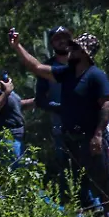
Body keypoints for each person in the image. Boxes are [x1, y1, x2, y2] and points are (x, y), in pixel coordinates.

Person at [10, 30, 109, 217]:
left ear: (85, 53)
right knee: (75, 182)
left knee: (102, 182)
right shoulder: (66, 73)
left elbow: (106, 105)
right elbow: (37, 67)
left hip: (90, 138)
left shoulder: (95, 75)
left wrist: (98, 134)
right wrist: (17, 46)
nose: (70, 49)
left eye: (75, 47)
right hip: (71, 138)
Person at [35, 26, 74, 201]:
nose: (62, 41)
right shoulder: (47, 69)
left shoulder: (81, 61)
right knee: (66, 167)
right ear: (52, 43)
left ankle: (102, 210)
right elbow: (40, 99)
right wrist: (58, 106)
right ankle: (75, 211)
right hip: (61, 127)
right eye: (57, 38)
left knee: (94, 166)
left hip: (88, 124)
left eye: (65, 37)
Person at [0, 55, 25, 158]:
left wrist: (36, 101)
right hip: (4, 139)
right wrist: (6, 92)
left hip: (18, 136)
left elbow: (17, 105)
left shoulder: (1, 85)